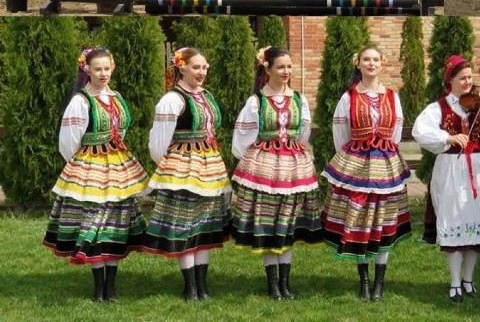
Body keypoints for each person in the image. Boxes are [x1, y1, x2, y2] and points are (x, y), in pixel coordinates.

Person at [412, 55, 480, 303]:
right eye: (462, 78)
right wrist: (448, 138)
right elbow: (420, 131)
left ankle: (469, 280)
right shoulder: (438, 107)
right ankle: (454, 282)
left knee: (477, 224)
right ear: (450, 80)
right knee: (454, 222)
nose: (468, 83)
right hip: (451, 170)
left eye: (470, 78)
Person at [42, 47, 148, 302]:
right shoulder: (81, 101)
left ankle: (111, 287)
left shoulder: (116, 97)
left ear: (113, 68)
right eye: (98, 69)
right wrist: (81, 169)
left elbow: (120, 131)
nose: (103, 74)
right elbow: (68, 143)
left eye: (107, 68)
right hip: (90, 167)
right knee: (95, 224)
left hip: (117, 166)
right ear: (87, 69)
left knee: (115, 224)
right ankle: (99, 287)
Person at [231, 46, 323, 300]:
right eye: (281, 67)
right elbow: (242, 139)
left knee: (288, 224)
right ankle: (273, 284)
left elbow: (303, 132)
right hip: (266, 170)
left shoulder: (298, 100)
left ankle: (285, 282)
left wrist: (295, 150)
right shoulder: (256, 101)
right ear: (267, 68)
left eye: (289, 67)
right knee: (271, 224)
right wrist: (252, 165)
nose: (286, 72)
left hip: (295, 170)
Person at [321, 45, 411, 302]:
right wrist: (349, 161)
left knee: (384, 220)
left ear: (382, 63)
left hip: (385, 164)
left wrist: (385, 153)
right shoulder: (349, 97)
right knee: (359, 219)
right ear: (358, 64)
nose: (371, 64)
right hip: (358, 164)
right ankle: (363, 280)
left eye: (375, 60)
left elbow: (395, 131)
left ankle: (379, 282)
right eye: (366, 60)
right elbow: (340, 132)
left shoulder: (393, 96)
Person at [142, 47, 232, 301]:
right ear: (182, 68)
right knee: (185, 227)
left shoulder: (206, 95)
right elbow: (159, 142)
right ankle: (190, 286)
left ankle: (202, 285)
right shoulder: (173, 99)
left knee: (205, 226)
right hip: (183, 168)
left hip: (209, 166)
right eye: (196, 67)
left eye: (204, 67)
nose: (201, 72)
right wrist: (170, 169)